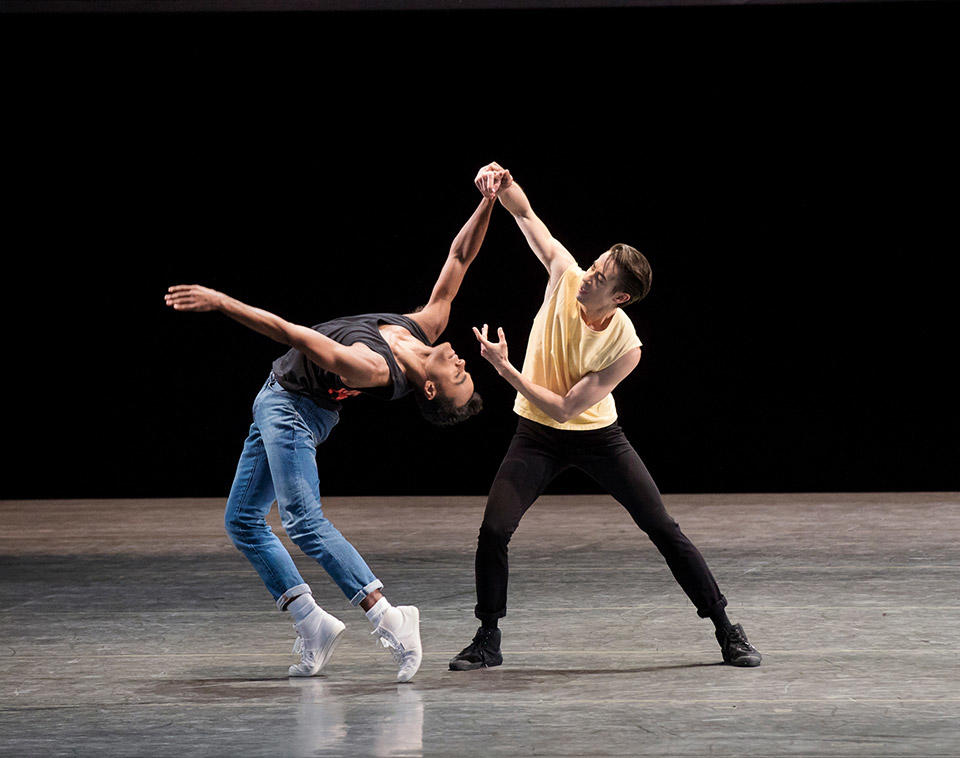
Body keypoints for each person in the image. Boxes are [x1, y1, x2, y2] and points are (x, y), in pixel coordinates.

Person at [165, 175, 505, 682]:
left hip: (293, 409)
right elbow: (459, 259)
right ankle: (311, 621)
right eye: (465, 368)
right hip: (275, 398)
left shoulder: (372, 368)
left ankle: (390, 616)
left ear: (430, 390)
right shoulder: (424, 327)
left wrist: (223, 302)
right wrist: (488, 200)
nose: (459, 362)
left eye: (457, 376)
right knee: (243, 521)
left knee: (302, 520)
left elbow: (292, 333)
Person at [449, 162, 762, 671]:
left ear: (619, 297)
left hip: (597, 436)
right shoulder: (564, 275)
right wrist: (503, 183)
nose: (586, 275)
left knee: (662, 527)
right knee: (494, 529)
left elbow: (568, 407)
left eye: (599, 277)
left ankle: (727, 630)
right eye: (592, 266)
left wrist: (505, 369)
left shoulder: (626, 345)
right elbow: (526, 215)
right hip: (536, 434)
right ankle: (488, 637)